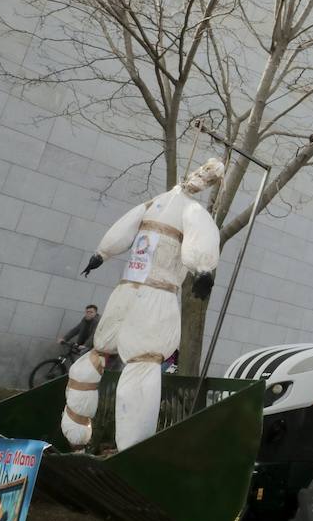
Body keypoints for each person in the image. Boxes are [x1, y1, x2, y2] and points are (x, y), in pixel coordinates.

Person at [60, 157, 223, 452]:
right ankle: (122, 449)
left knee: (108, 356)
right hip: (151, 296)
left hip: (132, 291)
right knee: (137, 362)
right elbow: (202, 236)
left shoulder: (158, 204)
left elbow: (125, 228)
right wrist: (203, 270)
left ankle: (84, 441)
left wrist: (102, 254)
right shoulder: (187, 208)